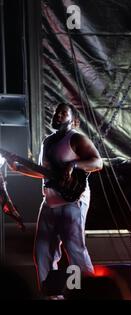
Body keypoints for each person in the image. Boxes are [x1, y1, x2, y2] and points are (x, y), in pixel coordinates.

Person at [7, 102, 103, 290]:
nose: (57, 115)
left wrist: (74, 165)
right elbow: (46, 173)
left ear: (72, 120)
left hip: (73, 201)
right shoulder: (47, 142)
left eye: (63, 113)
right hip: (49, 201)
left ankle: (93, 293)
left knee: (75, 250)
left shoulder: (76, 139)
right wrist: (18, 168)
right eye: (56, 112)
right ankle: (52, 294)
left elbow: (98, 162)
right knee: (43, 252)